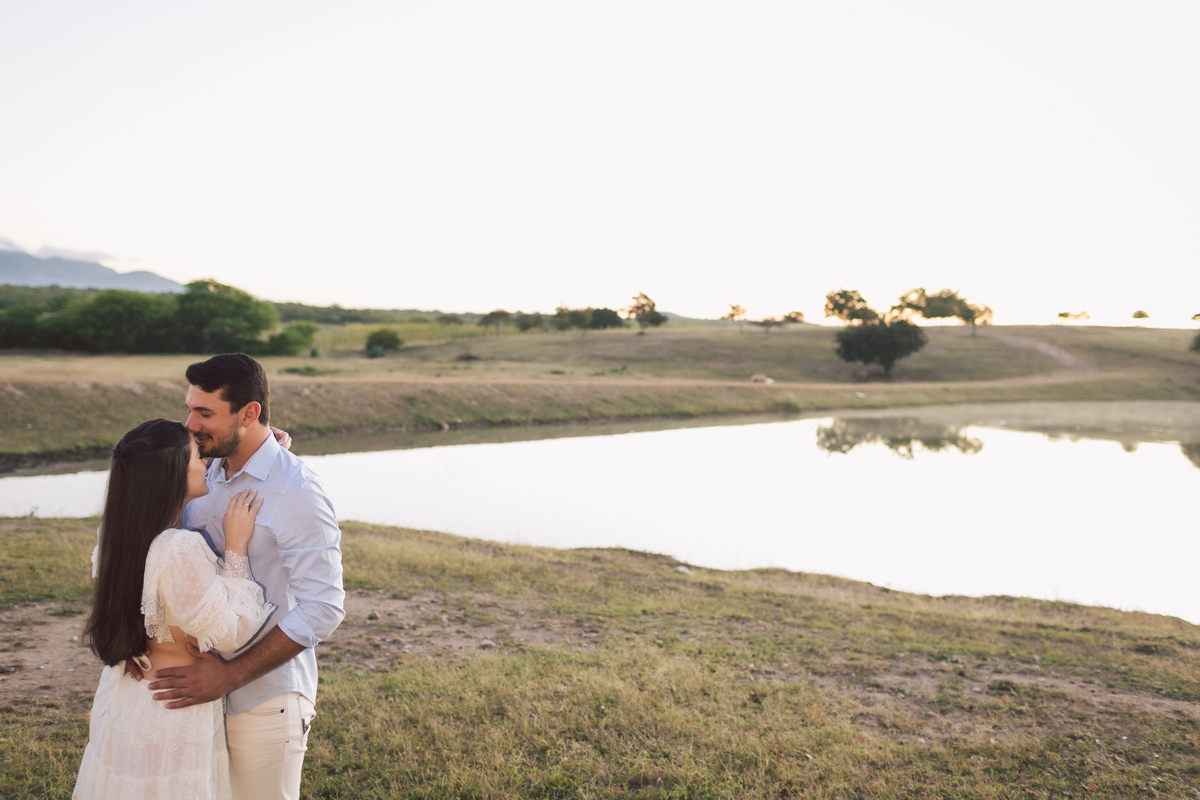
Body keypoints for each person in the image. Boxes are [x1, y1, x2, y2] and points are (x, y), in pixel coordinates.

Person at [146, 353, 345, 800]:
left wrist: (229, 676)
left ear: (249, 412)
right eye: (190, 408)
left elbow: (324, 609)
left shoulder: (296, 491)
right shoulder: (201, 466)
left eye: (204, 413)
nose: (191, 424)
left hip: (264, 698)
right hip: (195, 698)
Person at [74, 419, 273, 799]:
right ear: (172, 475)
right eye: (198, 455)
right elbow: (234, 633)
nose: (207, 462)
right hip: (171, 714)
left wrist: (266, 439)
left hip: (125, 702)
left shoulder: (115, 533)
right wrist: (236, 548)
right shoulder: (177, 548)